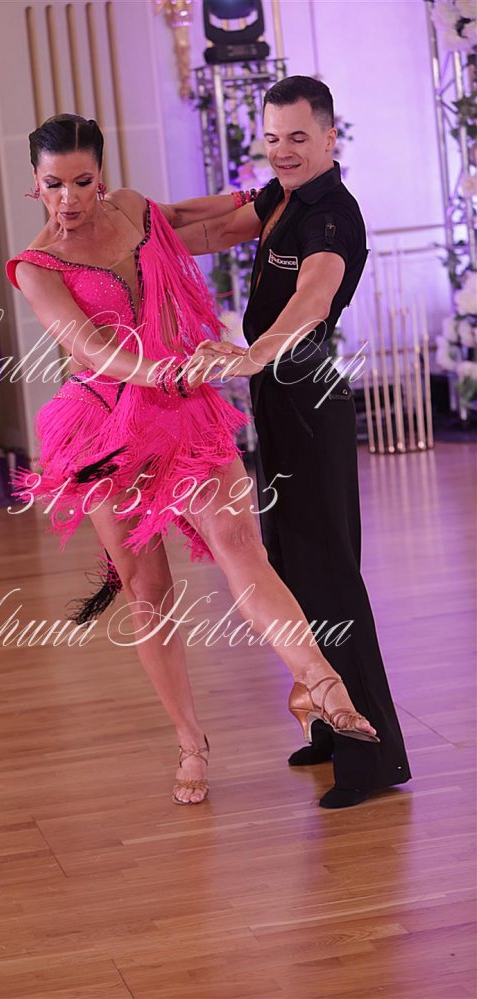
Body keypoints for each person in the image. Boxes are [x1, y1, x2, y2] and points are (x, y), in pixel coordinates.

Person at [5, 112, 379, 807]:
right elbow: (91, 347)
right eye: (54, 184)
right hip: (105, 428)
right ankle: (189, 741)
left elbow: (186, 219)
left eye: (82, 181)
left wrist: (271, 195)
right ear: (35, 181)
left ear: (101, 175)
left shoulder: (133, 210)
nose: (68, 198)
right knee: (148, 590)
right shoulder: (36, 265)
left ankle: (322, 684)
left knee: (241, 544)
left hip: (183, 409)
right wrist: (161, 372)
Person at [178, 77, 411, 809]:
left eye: (299, 137)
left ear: (330, 137)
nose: (282, 150)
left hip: (309, 400)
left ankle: (372, 756)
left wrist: (251, 355)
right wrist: (117, 230)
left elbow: (313, 298)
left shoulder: (332, 215)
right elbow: (206, 229)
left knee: (330, 578)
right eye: (273, 137)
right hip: (279, 403)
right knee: (291, 570)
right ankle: (328, 723)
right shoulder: (282, 197)